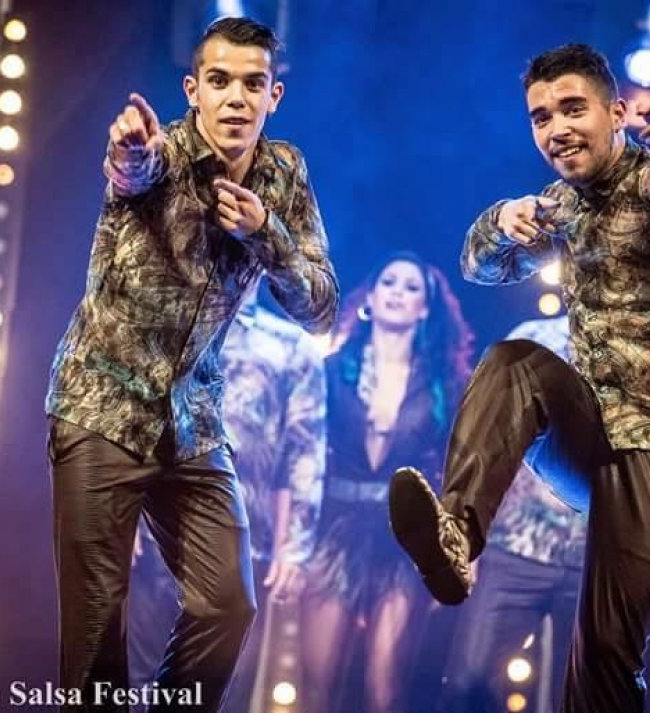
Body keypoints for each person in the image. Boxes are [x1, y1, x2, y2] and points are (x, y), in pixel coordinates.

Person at [388, 43, 650, 713]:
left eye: (573, 109)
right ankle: (456, 538)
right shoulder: (562, 204)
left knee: (602, 653)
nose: (557, 129)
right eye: (541, 118)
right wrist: (500, 222)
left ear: (617, 113)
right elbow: (479, 267)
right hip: (596, 444)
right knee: (513, 363)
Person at [44, 16, 337, 712]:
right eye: (219, 81)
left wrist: (267, 233)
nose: (236, 98)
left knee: (228, 603)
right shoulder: (163, 152)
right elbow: (132, 172)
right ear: (193, 90)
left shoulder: (284, 173)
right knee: (97, 629)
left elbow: (322, 307)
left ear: (274, 96)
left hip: (192, 423)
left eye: (253, 84)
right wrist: (129, 152)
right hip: (100, 408)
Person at [438, 316, 650, 713]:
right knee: (469, 683)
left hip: (603, 557)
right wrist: (467, 533)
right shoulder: (535, 339)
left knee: (583, 697)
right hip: (519, 548)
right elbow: (490, 442)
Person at [127, 282, 327, 713]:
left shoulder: (291, 346)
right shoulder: (165, 326)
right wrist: (123, 514)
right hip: (159, 528)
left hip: (243, 536)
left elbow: (305, 450)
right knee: (140, 680)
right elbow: (130, 422)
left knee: (220, 687)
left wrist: (294, 547)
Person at [299, 253, 473, 713]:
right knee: (317, 684)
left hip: (407, 538)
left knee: (386, 685)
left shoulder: (447, 385)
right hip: (336, 528)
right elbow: (301, 454)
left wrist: (459, 549)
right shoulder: (332, 370)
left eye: (412, 287)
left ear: (425, 308)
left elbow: (462, 468)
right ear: (371, 298)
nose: (398, 292)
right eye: (389, 282)